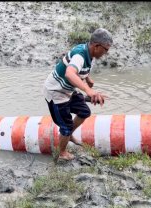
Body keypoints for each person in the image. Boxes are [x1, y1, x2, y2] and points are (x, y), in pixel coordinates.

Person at [42, 28, 113, 160]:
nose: (106, 53)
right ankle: (62, 152)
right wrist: (89, 90)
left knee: (84, 112)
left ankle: (68, 135)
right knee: (66, 125)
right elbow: (70, 73)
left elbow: (80, 69)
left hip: (69, 90)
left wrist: (87, 78)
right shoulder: (80, 55)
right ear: (97, 46)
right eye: (106, 49)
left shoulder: (89, 53)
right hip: (56, 92)